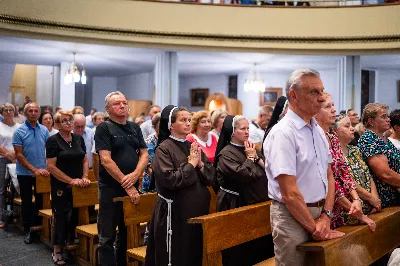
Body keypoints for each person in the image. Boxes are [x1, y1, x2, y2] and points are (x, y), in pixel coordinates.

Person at [264, 69, 344, 266]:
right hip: (292, 217)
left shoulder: (317, 129)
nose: (322, 98)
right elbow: (289, 193)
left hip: (320, 214)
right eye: (314, 92)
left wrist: (326, 215)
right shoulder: (283, 133)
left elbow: (329, 176)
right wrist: (314, 227)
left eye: (322, 91)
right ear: (293, 95)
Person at [145, 105, 217, 266]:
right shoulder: (163, 149)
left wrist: (200, 166)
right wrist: (191, 164)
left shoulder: (193, 146)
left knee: (193, 254)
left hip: (196, 213)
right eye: (183, 120)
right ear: (171, 125)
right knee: (177, 256)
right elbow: (171, 181)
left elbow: (212, 177)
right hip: (175, 215)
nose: (188, 123)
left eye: (189, 120)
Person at [96, 91, 148, 266]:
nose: (122, 106)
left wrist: (135, 175)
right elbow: (105, 159)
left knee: (128, 233)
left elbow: (144, 154)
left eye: (124, 102)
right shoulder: (104, 127)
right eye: (117, 103)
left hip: (132, 185)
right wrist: (127, 184)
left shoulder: (135, 128)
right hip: (110, 189)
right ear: (107, 109)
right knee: (107, 237)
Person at [214, 115, 273, 266]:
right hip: (236, 204)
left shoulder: (250, 147)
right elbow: (245, 175)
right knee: (241, 250)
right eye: (242, 129)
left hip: (256, 203)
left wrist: (255, 158)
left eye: (248, 128)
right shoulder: (226, 154)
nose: (247, 132)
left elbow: (268, 169)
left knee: (261, 248)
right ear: (232, 132)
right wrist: (250, 159)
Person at [315, 95, 374, 231]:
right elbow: (331, 181)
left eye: (333, 105)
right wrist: (359, 213)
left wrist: (356, 199)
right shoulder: (315, 139)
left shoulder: (332, 139)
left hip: (343, 208)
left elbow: (344, 173)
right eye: (328, 107)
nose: (334, 110)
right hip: (327, 209)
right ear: (316, 113)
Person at [46, 110, 91, 265]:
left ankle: (71, 243)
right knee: (60, 217)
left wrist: (85, 176)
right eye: (65, 120)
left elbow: (84, 160)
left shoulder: (78, 139)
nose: (69, 123)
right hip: (61, 184)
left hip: (78, 184)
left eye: (70, 120)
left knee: (75, 215)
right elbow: (51, 167)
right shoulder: (53, 140)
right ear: (57, 124)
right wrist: (70, 180)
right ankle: (57, 248)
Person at [12, 102, 49, 244]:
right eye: (30, 111)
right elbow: (19, 155)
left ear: (39, 113)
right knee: (27, 202)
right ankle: (28, 230)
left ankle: (39, 228)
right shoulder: (19, 131)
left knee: (41, 201)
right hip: (25, 173)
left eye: (35, 111)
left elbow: (48, 150)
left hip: (42, 173)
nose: (33, 113)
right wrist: (34, 169)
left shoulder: (44, 130)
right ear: (25, 113)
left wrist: (46, 168)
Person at [333, 114, 381, 215]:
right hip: (352, 210)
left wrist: (375, 199)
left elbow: (368, 175)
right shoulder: (334, 155)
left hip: (371, 206)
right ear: (335, 131)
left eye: (351, 125)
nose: (352, 128)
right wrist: (370, 198)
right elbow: (348, 181)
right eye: (347, 126)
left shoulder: (355, 150)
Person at [358, 103, 400, 208]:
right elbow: (385, 174)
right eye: (383, 117)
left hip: (395, 196)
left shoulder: (383, 138)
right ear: (371, 121)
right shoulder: (368, 139)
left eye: (388, 116)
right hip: (384, 199)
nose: (388, 119)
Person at [0, 104, 19, 229]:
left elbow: (23, 143)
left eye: (10, 110)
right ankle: (2, 217)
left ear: (14, 112)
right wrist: (7, 154)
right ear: (2, 113)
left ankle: (16, 216)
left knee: (17, 188)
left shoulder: (19, 127)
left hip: (18, 160)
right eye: (5, 110)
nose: (8, 112)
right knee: (1, 190)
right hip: (2, 159)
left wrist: (16, 155)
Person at [141, 113, 161, 194]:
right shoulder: (150, 140)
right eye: (161, 124)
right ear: (155, 126)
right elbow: (151, 165)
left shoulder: (169, 139)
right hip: (152, 182)